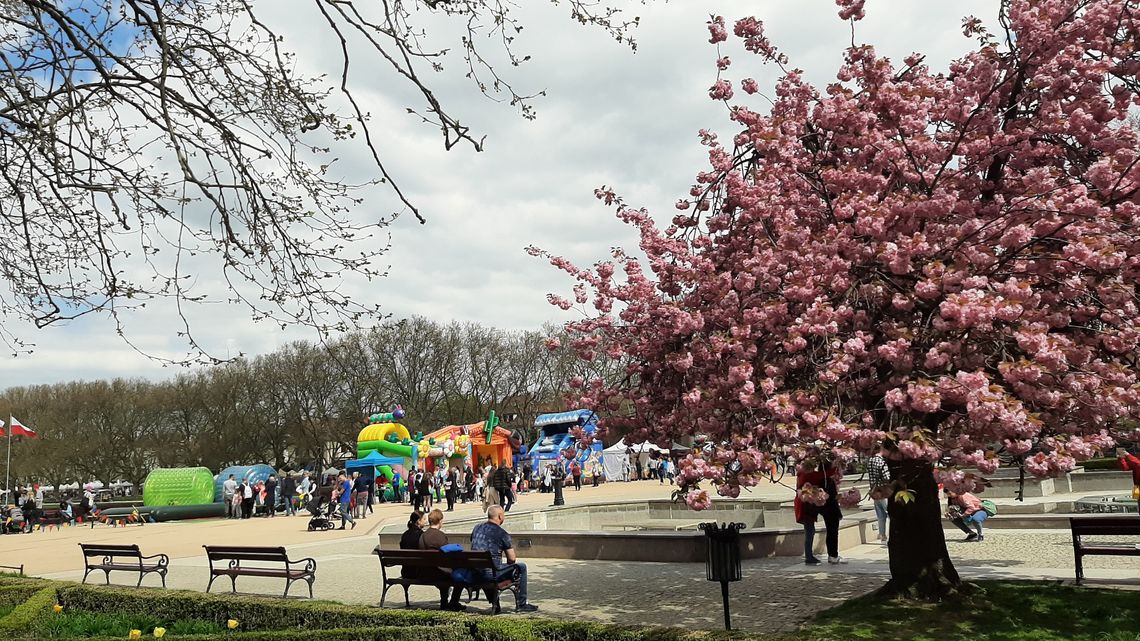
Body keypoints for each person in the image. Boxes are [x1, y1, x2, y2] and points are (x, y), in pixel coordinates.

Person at [470, 505, 538, 613]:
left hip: (475, 572)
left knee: (489, 569)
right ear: (500, 516)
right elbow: (512, 559)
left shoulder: (476, 528)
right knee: (521, 567)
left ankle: (495, 605)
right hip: (491, 574)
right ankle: (522, 603)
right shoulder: (502, 534)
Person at [794, 457, 845, 565]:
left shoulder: (802, 475)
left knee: (810, 531)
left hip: (805, 505)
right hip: (806, 506)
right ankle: (809, 557)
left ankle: (810, 556)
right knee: (810, 532)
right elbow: (826, 473)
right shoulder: (810, 475)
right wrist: (837, 465)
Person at [420, 508, 466, 611]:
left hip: (424, 572)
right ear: (440, 521)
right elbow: (448, 556)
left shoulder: (423, 535)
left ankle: (445, 602)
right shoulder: (440, 536)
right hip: (438, 573)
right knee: (460, 575)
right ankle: (453, 602)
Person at [867, 450, 891, 545]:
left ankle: (882, 536)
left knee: (880, 515)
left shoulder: (870, 460)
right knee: (889, 513)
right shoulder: (880, 461)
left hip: (874, 490)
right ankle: (890, 536)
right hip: (883, 490)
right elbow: (886, 476)